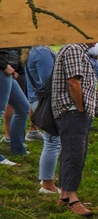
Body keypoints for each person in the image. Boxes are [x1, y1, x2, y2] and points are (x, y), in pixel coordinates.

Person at [51, 43, 98, 216]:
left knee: (70, 151)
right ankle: (72, 198)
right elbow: (73, 81)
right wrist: (81, 108)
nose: (97, 40)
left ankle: (64, 195)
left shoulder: (74, 49)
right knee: (75, 153)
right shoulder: (73, 49)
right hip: (72, 111)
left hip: (72, 111)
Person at [26, 45, 60, 191]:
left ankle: (48, 176)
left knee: (52, 141)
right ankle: (47, 184)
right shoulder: (41, 50)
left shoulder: (35, 50)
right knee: (53, 142)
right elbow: (48, 79)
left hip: (38, 100)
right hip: (45, 102)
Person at [0, 47, 29, 164]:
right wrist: (4, 65)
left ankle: (18, 149)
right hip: (2, 68)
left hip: (7, 70)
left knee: (23, 108)